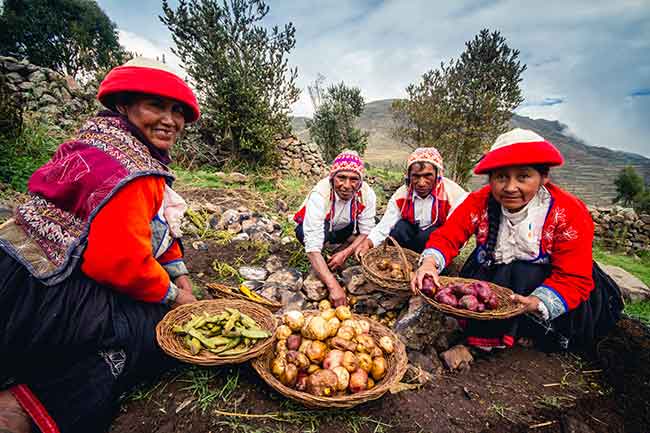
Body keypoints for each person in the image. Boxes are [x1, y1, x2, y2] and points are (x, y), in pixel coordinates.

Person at [0, 57, 201, 433]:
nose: (170, 120)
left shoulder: (101, 144)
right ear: (123, 105)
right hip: (44, 295)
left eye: (177, 111)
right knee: (152, 332)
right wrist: (175, 297)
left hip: (17, 274)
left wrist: (180, 275)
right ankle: (22, 409)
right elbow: (116, 262)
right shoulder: (131, 170)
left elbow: (159, 227)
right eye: (155, 106)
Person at [411, 128, 623, 355]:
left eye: (523, 177)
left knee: (523, 272)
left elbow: (573, 276)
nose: (511, 187)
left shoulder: (568, 212)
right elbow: (448, 235)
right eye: (501, 177)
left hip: (548, 281)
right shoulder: (479, 201)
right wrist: (429, 263)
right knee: (486, 275)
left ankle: (522, 329)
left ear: (544, 177)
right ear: (490, 178)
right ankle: (493, 328)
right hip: (497, 273)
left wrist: (537, 302)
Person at [294, 150, 376, 306]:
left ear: (360, 181)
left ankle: (341, 248)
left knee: (373, 228)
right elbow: (312, 244)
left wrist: (345, 253)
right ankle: (328, 251)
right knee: (303, 233)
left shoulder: (366, 194)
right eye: (341, 178)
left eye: (353, 179)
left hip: (346, 227)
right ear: (332, 178)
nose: (346, 185)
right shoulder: (320, 194)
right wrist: (333, 286)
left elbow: (366, 230)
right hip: (325, 228)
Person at [355, 147, 467, 256]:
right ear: (409, 176)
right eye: (416, 176)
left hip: (438, 247)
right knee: (401, 228)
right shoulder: (401, 195)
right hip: (411, 241)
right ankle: (401, 259)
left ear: (437, 174)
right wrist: (368, 243)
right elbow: (385, 225)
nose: (422, 183)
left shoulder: (454, 195)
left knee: (432, 233)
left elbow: (457, 232)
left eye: (428, 176)